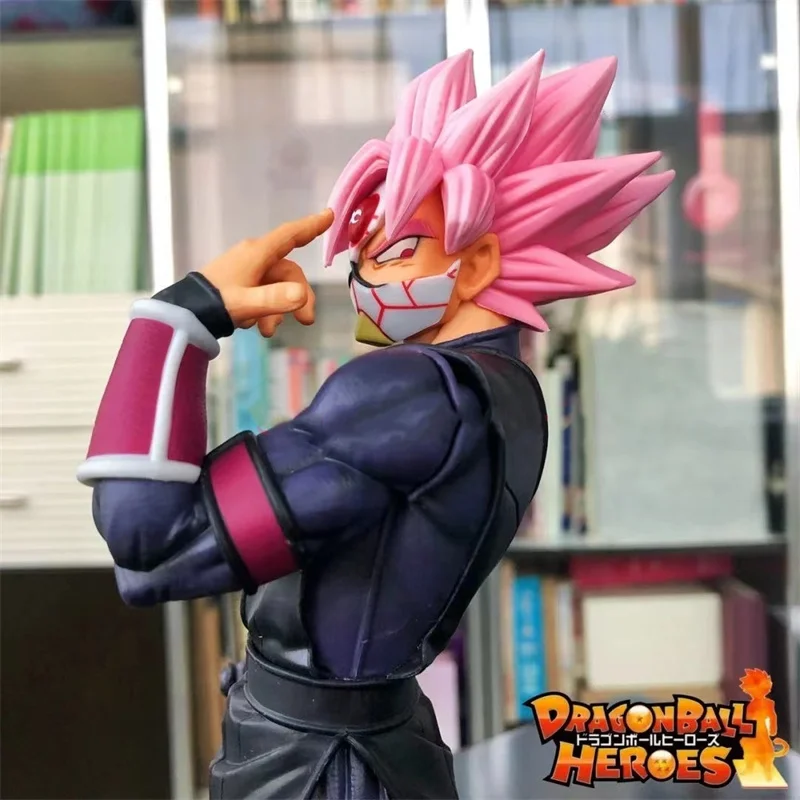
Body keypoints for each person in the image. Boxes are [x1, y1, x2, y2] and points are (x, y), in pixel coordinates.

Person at [77, 50, 673, 799]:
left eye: (394, 252)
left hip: (322, 766)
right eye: (362, 253)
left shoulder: (410, 394)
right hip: (377, 741)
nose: (364, 278)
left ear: (478, 263)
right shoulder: (511, 389)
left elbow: (148, 539)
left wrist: (180, 317)